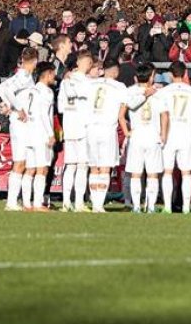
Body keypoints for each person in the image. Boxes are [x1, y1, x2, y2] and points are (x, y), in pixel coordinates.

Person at [86, 59, 139, 213]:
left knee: (93, 168)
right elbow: (131, 104)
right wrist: (146, 93)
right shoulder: (120, 86)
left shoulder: (91, 84)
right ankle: (98, 205)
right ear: (115, 71)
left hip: (90, 128)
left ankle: (95, 203)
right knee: (105, 167)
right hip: (107, 129)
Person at [120, 64, 169, 213]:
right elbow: (165, 115)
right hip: (153, 136)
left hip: (136, 137)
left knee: (136, 173)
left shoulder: (129, 91)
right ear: (151, 76)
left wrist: (126, 132)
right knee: (152, 173)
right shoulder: (158, 92)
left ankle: (136, 206)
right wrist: (164, 135)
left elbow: (121, 114)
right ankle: (151, 206)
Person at [0, 47, 38, 211]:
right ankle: (11, 202)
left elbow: (1, 88)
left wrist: (9, 105)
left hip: (24, 123)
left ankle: (19, 201)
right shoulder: (22, 75)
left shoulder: (26, 75)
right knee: (20, 161)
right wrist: (18, 108)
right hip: (19, 123)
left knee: (25, 161)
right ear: (34, 61)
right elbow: (5, 89)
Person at [159, 61, 191, 214]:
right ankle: (186, 208)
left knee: (168, 171)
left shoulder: (164, 91)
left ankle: (168, 207)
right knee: (186, 172)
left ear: (170, 74)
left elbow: (161, 113)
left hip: (169, 134)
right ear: (185, 74)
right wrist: (190, 121)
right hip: (186, 134)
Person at [58, 52, 94, 212]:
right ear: (81, 63)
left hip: (69, 126)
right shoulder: (87, 83)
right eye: (89, 63)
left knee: (70, 165)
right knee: (82, 165)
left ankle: (66, 202)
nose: (90, 66)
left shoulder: (66, 82)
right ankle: (78, 202)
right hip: (83, 126)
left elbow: (60, 107)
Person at [21, 61, 57, 212]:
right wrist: (51, 134)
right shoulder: (47, 92)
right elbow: (44, 114)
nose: (55, 77)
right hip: (41, 133)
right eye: (53, 73)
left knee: (30, 169)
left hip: (29, 132)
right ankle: (37, 203)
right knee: (42, 169)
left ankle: (26, 204)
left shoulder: (31, 90)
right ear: (48, 74)